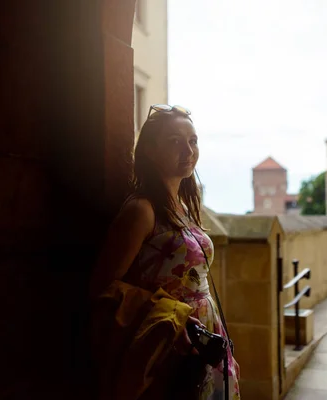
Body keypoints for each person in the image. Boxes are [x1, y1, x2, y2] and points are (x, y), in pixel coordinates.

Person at [90, 105, 240, 399]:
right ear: (149, 150)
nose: (188, 150)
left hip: (204, 334)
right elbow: (102, 288)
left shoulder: (182, 208)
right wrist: (174, 316)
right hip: (168, 341)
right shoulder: (141, 211)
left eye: (193, 141)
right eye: (174, 141)